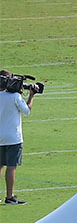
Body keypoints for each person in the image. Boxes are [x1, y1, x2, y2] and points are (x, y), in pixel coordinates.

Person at [0, 69, 35, 205]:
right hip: (13, 137)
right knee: (11, 166)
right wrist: (31, 96)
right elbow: (26, 111)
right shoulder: (14, 97)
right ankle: (10, 197)